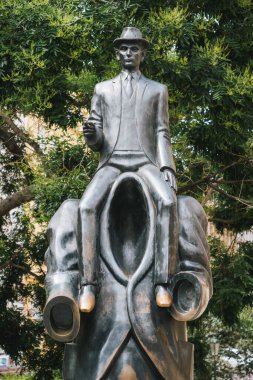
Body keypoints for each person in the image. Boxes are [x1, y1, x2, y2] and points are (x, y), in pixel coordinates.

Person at [78, 27, 178, 313]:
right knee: (86, 207)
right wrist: (91, 135)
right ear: (117, 52)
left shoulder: (157, 90)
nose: (128, 53)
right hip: (111, 162)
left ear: (142, 54)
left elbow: (162, 132)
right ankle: (88, 286)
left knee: (169, 202)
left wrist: (167, 166)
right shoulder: (102, 89)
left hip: (145, 161)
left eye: (134, 49)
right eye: (123, 48)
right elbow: (96, 138)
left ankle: (162, 283)